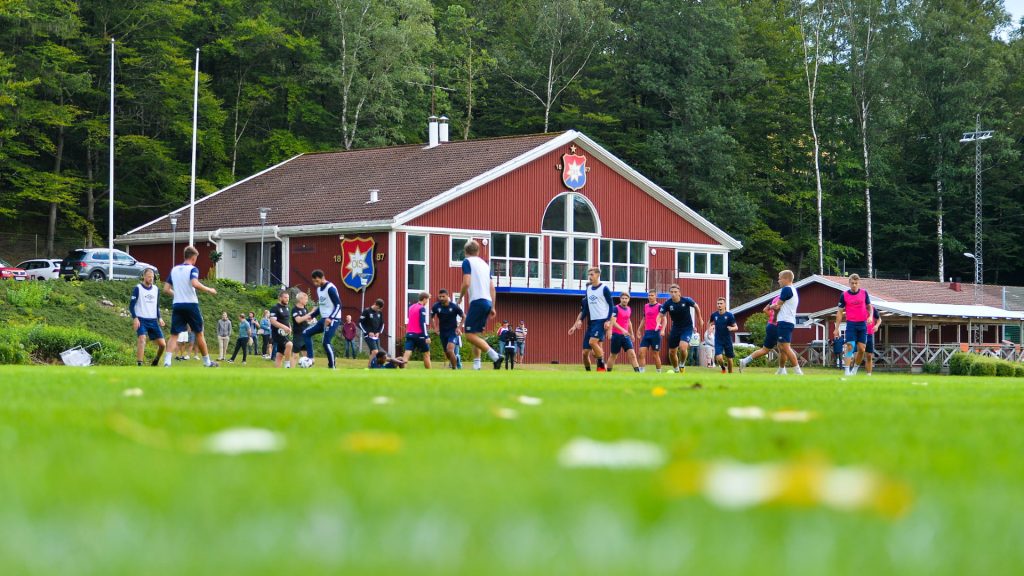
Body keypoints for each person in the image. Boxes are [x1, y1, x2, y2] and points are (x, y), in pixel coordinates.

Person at [161, 245, 218, 367]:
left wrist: (177, 295)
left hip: (177, 305)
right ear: (193, 258)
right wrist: (209, 290)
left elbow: (166, 289)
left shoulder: (174, 270)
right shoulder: (193, 269)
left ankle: (167, 362)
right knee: (199, 333)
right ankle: (207, 362)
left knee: (174, 334)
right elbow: (194, 283)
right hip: (191, 305)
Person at [458, 239, 503, 369]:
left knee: (469, 335)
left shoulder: (467, 262)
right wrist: (493, 306)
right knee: (475, 333)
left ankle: (495, 356)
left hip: (477, 301)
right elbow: (492, 288)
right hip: (487, 301)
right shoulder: (485, 265)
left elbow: (466, 282)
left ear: (465, 251)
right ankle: (477, 365)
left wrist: (460, 297)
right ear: (478, 251)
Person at [569, 267, 615, 372]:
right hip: (592, 323)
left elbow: (611, 305)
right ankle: (589, 373)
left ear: (598, 275)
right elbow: (586, 308)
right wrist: (580, 320)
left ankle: (601, 365)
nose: (590, 277)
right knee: (585, 352)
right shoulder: (589, 289)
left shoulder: (604, 288)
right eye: (589, 274)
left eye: (592, 274)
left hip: (601, 320)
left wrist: (608, 320)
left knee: (592, 342)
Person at [657, 284, 702, 374]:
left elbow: (696, 306)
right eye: (671, 292)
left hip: (687, 327)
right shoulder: (667, 303)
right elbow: (660, 315)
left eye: (675, 292)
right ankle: (676, 370)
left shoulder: (686, 300)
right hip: (675, 328)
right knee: (672, 352)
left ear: (679, 293)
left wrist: (700, 319)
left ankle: (682, 364)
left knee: (683, 347)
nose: (673, 294)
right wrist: (658, 323)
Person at [834, 273, 873, 376]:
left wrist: (870, 316)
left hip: (862, 324)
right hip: (851, 324)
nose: (854, 285)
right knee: (850, 346)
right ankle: (847, 371)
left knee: (862, 349)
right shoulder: (844, 295)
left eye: (856, 283)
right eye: (852, 283)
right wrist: (836, 328)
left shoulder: (864, 293)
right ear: (849, 283)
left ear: (859, 283)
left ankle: (854, 370)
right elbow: (839, 312)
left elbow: (869, 307)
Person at [302, 269, 343, 369]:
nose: (315, 283)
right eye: (313, 281)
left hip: (333, 319)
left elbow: (338, 305)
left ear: (322, 278)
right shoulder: (319, 289)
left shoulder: (330, 288)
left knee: (325, 342)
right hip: (324, 319)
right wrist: (312, 316)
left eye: (317, 281)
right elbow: (322, 306)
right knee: (306, 333)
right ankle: (310, 359)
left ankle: (332, 367)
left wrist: (331, 317)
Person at [130, 268, 166, 367]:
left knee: (163, 345)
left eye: (152, 277)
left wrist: (160, 318)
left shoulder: (156, 289)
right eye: (149, 277)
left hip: (153, 321)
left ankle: (155, 361)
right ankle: (139, 364)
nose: (151, 279)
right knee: (142, 339)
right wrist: (135, 318)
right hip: (141, 319)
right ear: (144, 277)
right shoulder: (138, 288)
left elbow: (156, 306)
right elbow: (131, 306)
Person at [770, 269, 803, 375]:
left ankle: (798, 371)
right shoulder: (792, 289)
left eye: (780, 279)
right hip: (787, 321)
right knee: (780, 346)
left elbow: (777, 306)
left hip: (785, 321)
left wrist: (771, 306)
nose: (778, 281)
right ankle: (781, 370)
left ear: (786, 279)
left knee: (785, 347)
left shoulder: (786, 289)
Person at [738, 296, 781, 372]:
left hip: (771, 325)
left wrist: (771, 317)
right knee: (781, 348)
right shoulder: (783, 299)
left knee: (772, 349)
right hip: (776, 326)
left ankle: (744, 361)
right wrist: (775, 318)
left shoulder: (775, 298)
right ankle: (784, 369)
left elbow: (765, 309)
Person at [606, 292, 641, 373]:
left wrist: (632, 334)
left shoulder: (629, 309)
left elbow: (629, 322)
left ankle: (638, 373)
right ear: (620, 299)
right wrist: (622, 330)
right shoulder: (615, 308)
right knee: (613, 355)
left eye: (626, 298)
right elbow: (613, 322)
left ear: (629, 299)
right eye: (623, 298)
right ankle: (608, 373)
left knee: (632, 354)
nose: (624, 300)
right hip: (616, 335)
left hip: (626, 336)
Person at [431, 289, 465, 369]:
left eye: (443, 296)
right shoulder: (436, 306)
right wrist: (435, 328)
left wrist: (459, 327)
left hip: (452, 332)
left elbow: (464, 316)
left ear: (447, 296)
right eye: (440, 297)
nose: (441, 298)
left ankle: (454, 368)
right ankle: (456, 360)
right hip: (443, 332)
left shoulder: (454, 306)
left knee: (450, 350)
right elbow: (431, 317)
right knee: (447, 353)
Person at [709, 297, 738, 373]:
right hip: (718, 339)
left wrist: (731, 328)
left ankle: (730, 374)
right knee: (719, 357)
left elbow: (736, 327)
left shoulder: (729, 315)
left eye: (721, 303)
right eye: (718, 303)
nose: (719, 305)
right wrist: (710, 327)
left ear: (725, 305)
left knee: (729, 359)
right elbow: (710, 323)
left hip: (727, 339)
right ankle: (723, 368)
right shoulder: (714, 315)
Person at [403, 292, 432, 369]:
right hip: (419, 334)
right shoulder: (422, 308)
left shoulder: (411, 307)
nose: (427, 302)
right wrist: (426, 336)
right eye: (427, 300)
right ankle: (429, 372)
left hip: (409, 333)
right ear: (424, 299)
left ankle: (403, 370)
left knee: (407, 352)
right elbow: (422, 323)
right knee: (426, 354)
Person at [638, 289, 663, 373]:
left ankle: (659, 373)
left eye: (652, 295)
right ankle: (641, 374)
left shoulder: (660, 306)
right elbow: (644, 319)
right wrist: (639, 329)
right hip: (647, 333)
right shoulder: (646, 306)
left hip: (656, 333)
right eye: (649, 295)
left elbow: (665, 319)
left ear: (656, 296)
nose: (650, 297)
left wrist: (663, 330)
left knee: (655, 355)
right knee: (641, 353)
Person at [269, 290, 294, 368]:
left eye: (288, 297)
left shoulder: (287, 308)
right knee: (289, 344)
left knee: (279, 354)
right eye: (285, 297)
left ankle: (278, 372)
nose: (287, 299)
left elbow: (286, 320)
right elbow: (273, 321)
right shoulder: (275, 308)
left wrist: (289, 327)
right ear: (280, 298)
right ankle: (287, 365)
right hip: (277, 333)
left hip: (285, 333)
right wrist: (284, 327)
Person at [291, 292, 313, 366]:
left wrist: (311, 321)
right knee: (295, 355)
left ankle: (306, 370)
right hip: (298, 335)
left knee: (306, 355)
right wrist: (310, 313)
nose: (307, 300)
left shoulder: (305, 309)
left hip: (306, 334)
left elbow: (306, 320)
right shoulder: (295, 309)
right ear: (300, 300)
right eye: (306, 299)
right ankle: (291, 370)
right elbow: (298, 320)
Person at [865, 307, 882, 375]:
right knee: (857, 354)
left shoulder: (872, 308)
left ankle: (869, 374)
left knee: (869, 355)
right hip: (859, 333)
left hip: (869, 334)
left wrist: (876, 326)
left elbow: (879, 319)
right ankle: (852, 371)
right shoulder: (858, 307)